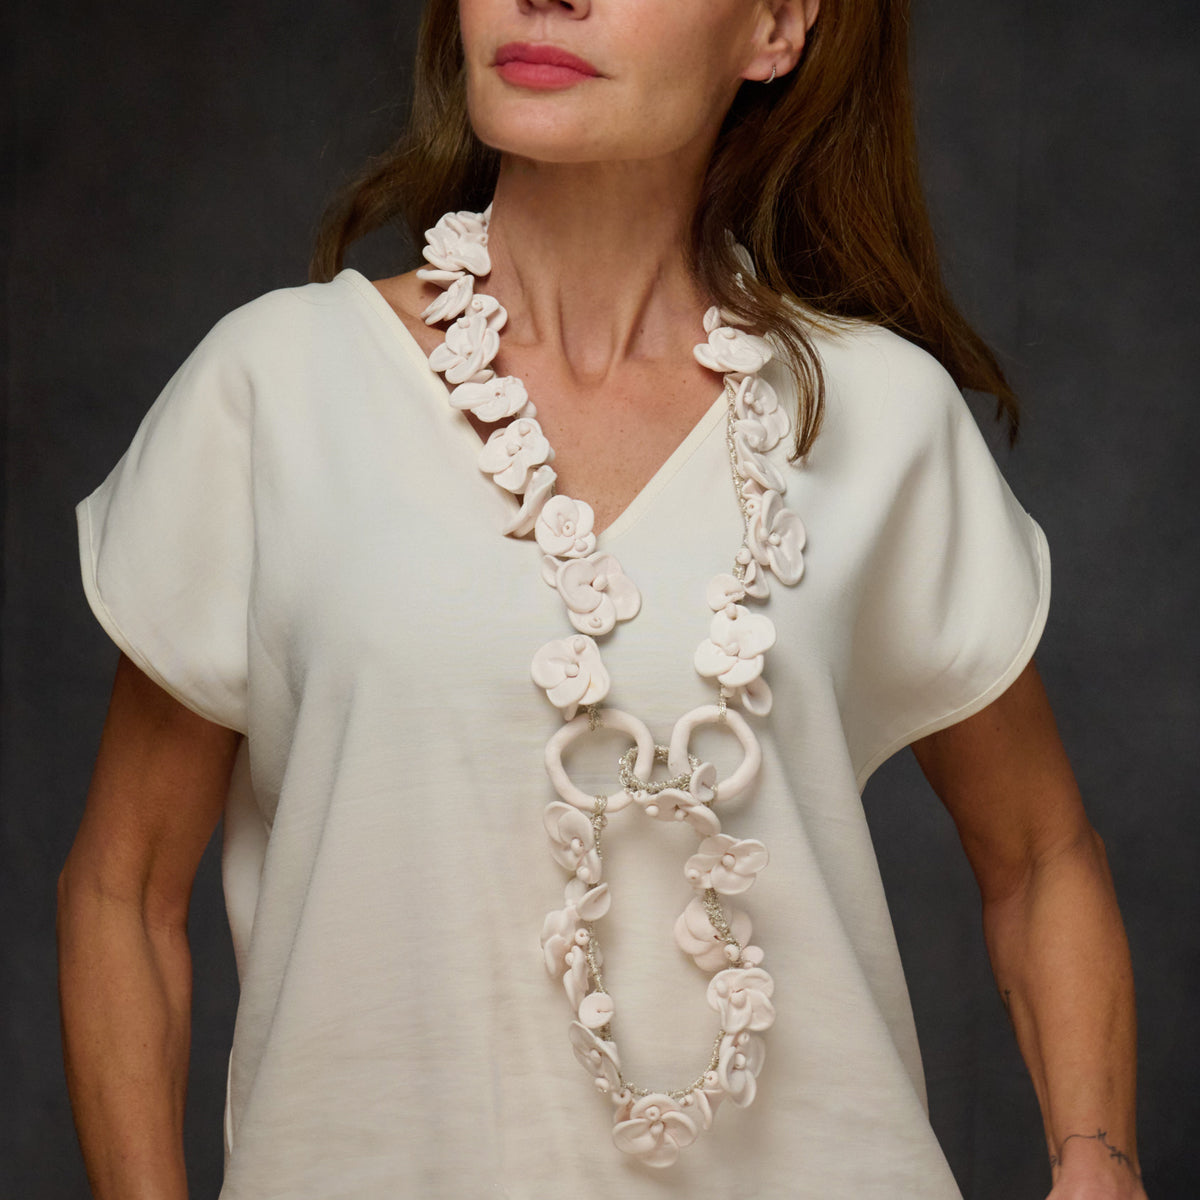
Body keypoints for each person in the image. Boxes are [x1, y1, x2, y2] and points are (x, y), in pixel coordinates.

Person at [57, 0, 1146, 1196]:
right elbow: (122, 890)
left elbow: (1042, 855)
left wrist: (1099, 1163)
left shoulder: (879, 416)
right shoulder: (276, 386)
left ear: (777, 28)